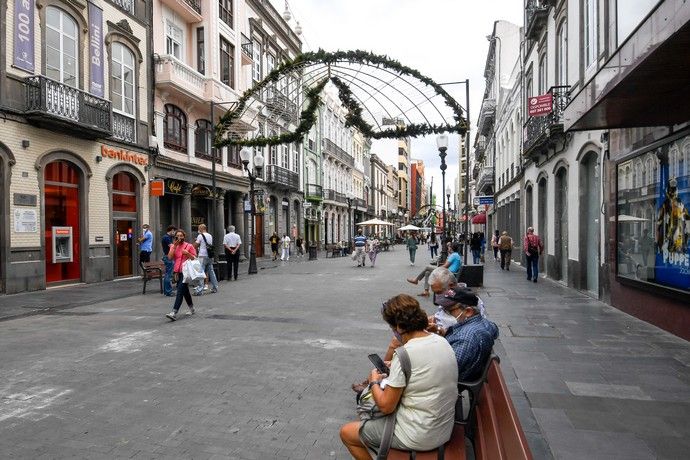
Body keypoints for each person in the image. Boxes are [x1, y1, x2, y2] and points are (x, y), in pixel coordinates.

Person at [340, 294, 458, 457]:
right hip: (443, 427)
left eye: (392, 327)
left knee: (347, 433)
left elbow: (386, 406)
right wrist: (395, 368)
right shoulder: (441, 341)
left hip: (419, 434)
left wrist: (374, 381)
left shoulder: (405, 354)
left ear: (399, 327)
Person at [432, 289, 499, 381]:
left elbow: (445, 371)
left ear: (468, 312)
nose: (442, 314)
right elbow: (495, 329)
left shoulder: (465, 339)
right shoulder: (483, 323)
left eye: (448, 311)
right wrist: (445, 332)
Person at [165, 230, 197, 321]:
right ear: (175, 237)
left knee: (180, 290)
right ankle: (192, 308)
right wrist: (174, 246)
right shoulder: (173, 246)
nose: (179, 237)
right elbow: (170, 257)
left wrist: (188, 253)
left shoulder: (189, 246)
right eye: (177, 236)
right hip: (177, 272)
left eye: (181, 236)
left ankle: (174, 312)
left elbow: (195, 258)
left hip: (185, 272)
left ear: (184, 236)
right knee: (185, 291)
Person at [193, 224, 218, 295]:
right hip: (209, 256)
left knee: (200, 272)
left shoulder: (200, 236)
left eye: (199, 228)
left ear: (201, 228)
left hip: (202, 255)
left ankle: (199, 290)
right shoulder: (210, 235)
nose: (198, 230)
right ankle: (215, 287)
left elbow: (195, 245)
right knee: (211, 272)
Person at [161, 225, 176, 296]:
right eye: (174, 231)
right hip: (168, 257)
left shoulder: (168, 237)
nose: (174, 233)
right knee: (168, 275)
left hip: (168, 256)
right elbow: (172, 247)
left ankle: (167, 291)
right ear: (172, 230)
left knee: (168, 274)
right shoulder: (166, 237)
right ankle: (168, 291)